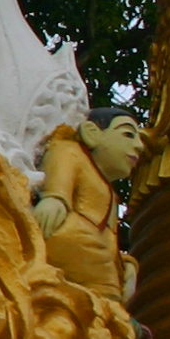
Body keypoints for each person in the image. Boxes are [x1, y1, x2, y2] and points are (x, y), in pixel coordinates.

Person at [34, 106, 147, 304]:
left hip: (97, 256)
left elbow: (109, 238)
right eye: (128, 134)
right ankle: (109, 307)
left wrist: (124, 264)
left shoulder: (111, 193)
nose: (139, 146)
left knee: (105, 267)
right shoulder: (69, 150)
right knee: (97, 263)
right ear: (92, 133)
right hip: (70, 236)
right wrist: (56, 199)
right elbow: (58, 185)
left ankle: (110, 310)